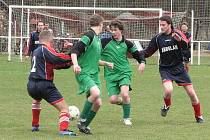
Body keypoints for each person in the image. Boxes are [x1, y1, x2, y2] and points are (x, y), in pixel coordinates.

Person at [141, 16, 204, 123]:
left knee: (192, 94)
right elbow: (147, 52)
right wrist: (136, 55)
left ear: (169, 24)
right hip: (165, 69)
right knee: (168, 90)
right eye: (160, 25)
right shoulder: (157, 38)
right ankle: (167, 105)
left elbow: (186, 46)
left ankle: (199, 116)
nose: (161, 27)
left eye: (163, 25)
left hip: (179, 68)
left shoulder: (177, 34)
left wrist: (180, 41)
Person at [27, 30, 77, 136]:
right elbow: (57, 58)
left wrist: (70, 63)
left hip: (31, 85)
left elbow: (55, 65)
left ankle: (35, 125)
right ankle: (63, 130)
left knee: (36, 100)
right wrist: (72, 56)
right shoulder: (45, 49)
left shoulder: (36, 51)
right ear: (50, 39)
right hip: (44, 85)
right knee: (64, 109)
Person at [71, 14, 112, 134]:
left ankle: (84, 126)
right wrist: (76, 65)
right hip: (84, 72)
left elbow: (93, 59)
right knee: (96, 93)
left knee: (98, 103)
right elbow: (74, 51)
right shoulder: (88, 36)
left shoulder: (97, 38)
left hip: (94, 74)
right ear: (101, 24)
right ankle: (82, 120)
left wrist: (106, 63)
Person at [101, 20, 146, 125]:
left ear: (120, 30)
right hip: (110, 75)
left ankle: (127, 118)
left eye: (115, 30)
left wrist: (142, 62)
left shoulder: (127, 43)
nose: (113, 32)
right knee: (112, 100)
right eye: (111, 30)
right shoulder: (104, 42)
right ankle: (125, 104)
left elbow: (137, 54)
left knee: (125, 94)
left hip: (124, 72)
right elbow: (92, 49)